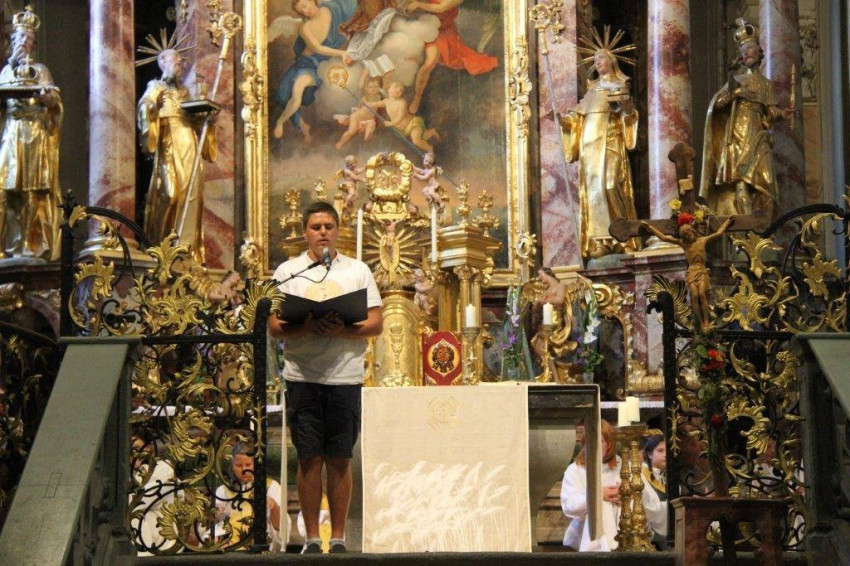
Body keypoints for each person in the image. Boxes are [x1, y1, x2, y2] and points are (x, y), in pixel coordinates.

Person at [268, 201, 383, 554]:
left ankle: (338, 537)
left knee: (339, 459)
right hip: (303, 376)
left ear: (337, 231)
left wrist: (342, 330)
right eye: (316, 227)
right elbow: (274, 326)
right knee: (308, 459)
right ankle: (313, 539)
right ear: (305, 232)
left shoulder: (357, 270)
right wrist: (305, 326)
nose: (322, 233)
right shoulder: (288, 271)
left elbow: (376, 322)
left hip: (344, 377)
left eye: (328, 227)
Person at [699, 18, 793, 220]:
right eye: (743, 51)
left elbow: (770, 112)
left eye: (750, 48)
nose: (746, 53)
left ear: (759, 51)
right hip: (736, 137)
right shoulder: (736, 81)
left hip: (758, 136)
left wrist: (781, 114)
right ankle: (747, 229)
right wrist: (737, 93)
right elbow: (717, 105)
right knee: (740, 184)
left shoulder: (766, 84)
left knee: (767, 182)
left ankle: (766, 228)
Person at [558, 41, 640, 260]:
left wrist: (627, 111)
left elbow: (628, 115)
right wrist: (565, 121)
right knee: (594, 191)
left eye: (601, 58)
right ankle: (602, 241)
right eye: (594, 60)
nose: (597, 62)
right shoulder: (592, 89)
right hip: (590, 146)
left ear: (611, 60)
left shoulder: (621, 83)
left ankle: (623, 238)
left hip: (611, 140)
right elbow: (577, 116)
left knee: (612, 185)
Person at [138, 47, 217, 264]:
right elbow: (144, 107)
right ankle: (160, 248)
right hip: (169, 144)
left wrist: (208, 120)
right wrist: (154, 107)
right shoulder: (155, 86)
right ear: (163, 62)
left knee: (192, 195)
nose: (179, 63)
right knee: (171, 194)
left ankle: (185, 251)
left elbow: (198, 122)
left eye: (181, 60)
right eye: (175, 59)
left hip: (189, 143)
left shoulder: (187, 92)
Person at [0, 6, 62, 260]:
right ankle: (4, 246)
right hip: (12, 132)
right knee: (3, 188)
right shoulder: (5, 72)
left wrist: (49, 99)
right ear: (12, 41)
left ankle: (28, 245)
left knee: (30, 191)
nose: (24, 42)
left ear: (33, 44)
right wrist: (10, 66)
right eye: (20, 37)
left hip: (33, 133)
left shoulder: (41, 70)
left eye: (28, 38)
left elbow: (54, 100)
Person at [560, 420, 666, 551]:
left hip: (625, 527)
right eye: (591, 440)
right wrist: (598, 495)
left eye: (601, 441)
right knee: (603, 502)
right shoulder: (575, 470)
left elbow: (651, 502)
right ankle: (605, 550)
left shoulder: (624, 466)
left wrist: (628, 494)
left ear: (610, 443)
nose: (595, 445)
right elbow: (570, 506)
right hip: (587, 533)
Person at [273, 0, 357, 141]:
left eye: (305, 6)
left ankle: (296, 125)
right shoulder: (305, 27)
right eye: (301, 11)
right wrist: (342, 53)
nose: (306, 11)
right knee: (292, 94)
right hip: (305, 65)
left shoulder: (332, 9)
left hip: (321, 66)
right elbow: (318, 48)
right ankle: (281, 123)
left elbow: (350, 12)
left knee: (296, 92)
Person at [403, 0, 498, 114]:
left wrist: (419, 4)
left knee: (430, 62)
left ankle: (417, 97)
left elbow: (441, 8)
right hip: (424, 23)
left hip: (443, 31)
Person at [641, 216, 733, 333]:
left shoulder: (702, 240)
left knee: (702, 294)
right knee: (694, 295)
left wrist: (727, 222)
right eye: (685, 235)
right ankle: (701, 323)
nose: (688, 236)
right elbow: (664, 238)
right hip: (691, 272)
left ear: (692, 231)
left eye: (688, 232)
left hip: (702, 271)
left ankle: (706, 322)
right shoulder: (684, 244)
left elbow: (718, 233)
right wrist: (650, 228)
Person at [214, 442, 285, 550]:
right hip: (229, 537)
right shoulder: (223, 490)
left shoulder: (271, 486)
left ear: (256, 464)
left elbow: (279, 526)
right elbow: (215, 521)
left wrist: (274, 506)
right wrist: (216, 510)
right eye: (239, 465)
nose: (244, 470)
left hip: (259, 535)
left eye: (248, 465)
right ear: (233, 466)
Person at [371, 81, 439, 153]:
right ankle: (432, 132)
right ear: (388, 89)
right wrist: (367, 103)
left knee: (416, 140)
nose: (399, 89)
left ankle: (429, 150)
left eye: (401, 89)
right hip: (405, 129)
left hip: (413, 123)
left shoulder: (402, 102)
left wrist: (391, 123)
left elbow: (400, 118)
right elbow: (376, 104)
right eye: (396, 86)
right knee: (423, 136)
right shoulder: (386, 101)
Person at [333, 71, 388, 149]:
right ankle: (341, 143)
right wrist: (364, 74)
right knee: (351, 132)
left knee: (369, 126)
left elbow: (385, 87)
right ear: (367, 88)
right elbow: (361, 86)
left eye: (375, 87)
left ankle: (367, 136)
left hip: (368, 119)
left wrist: (384, 76)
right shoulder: (367, 95)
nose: (373, 89)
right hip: (357, 117)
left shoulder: (380, 95)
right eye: (370, 87)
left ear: (379, 87)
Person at [641, 434, 667, 547]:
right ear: (649, 454)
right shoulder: (640, 476)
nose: (665, 455)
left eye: (667, 451)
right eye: (660, 451)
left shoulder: (666, 476)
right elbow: (648, 508)